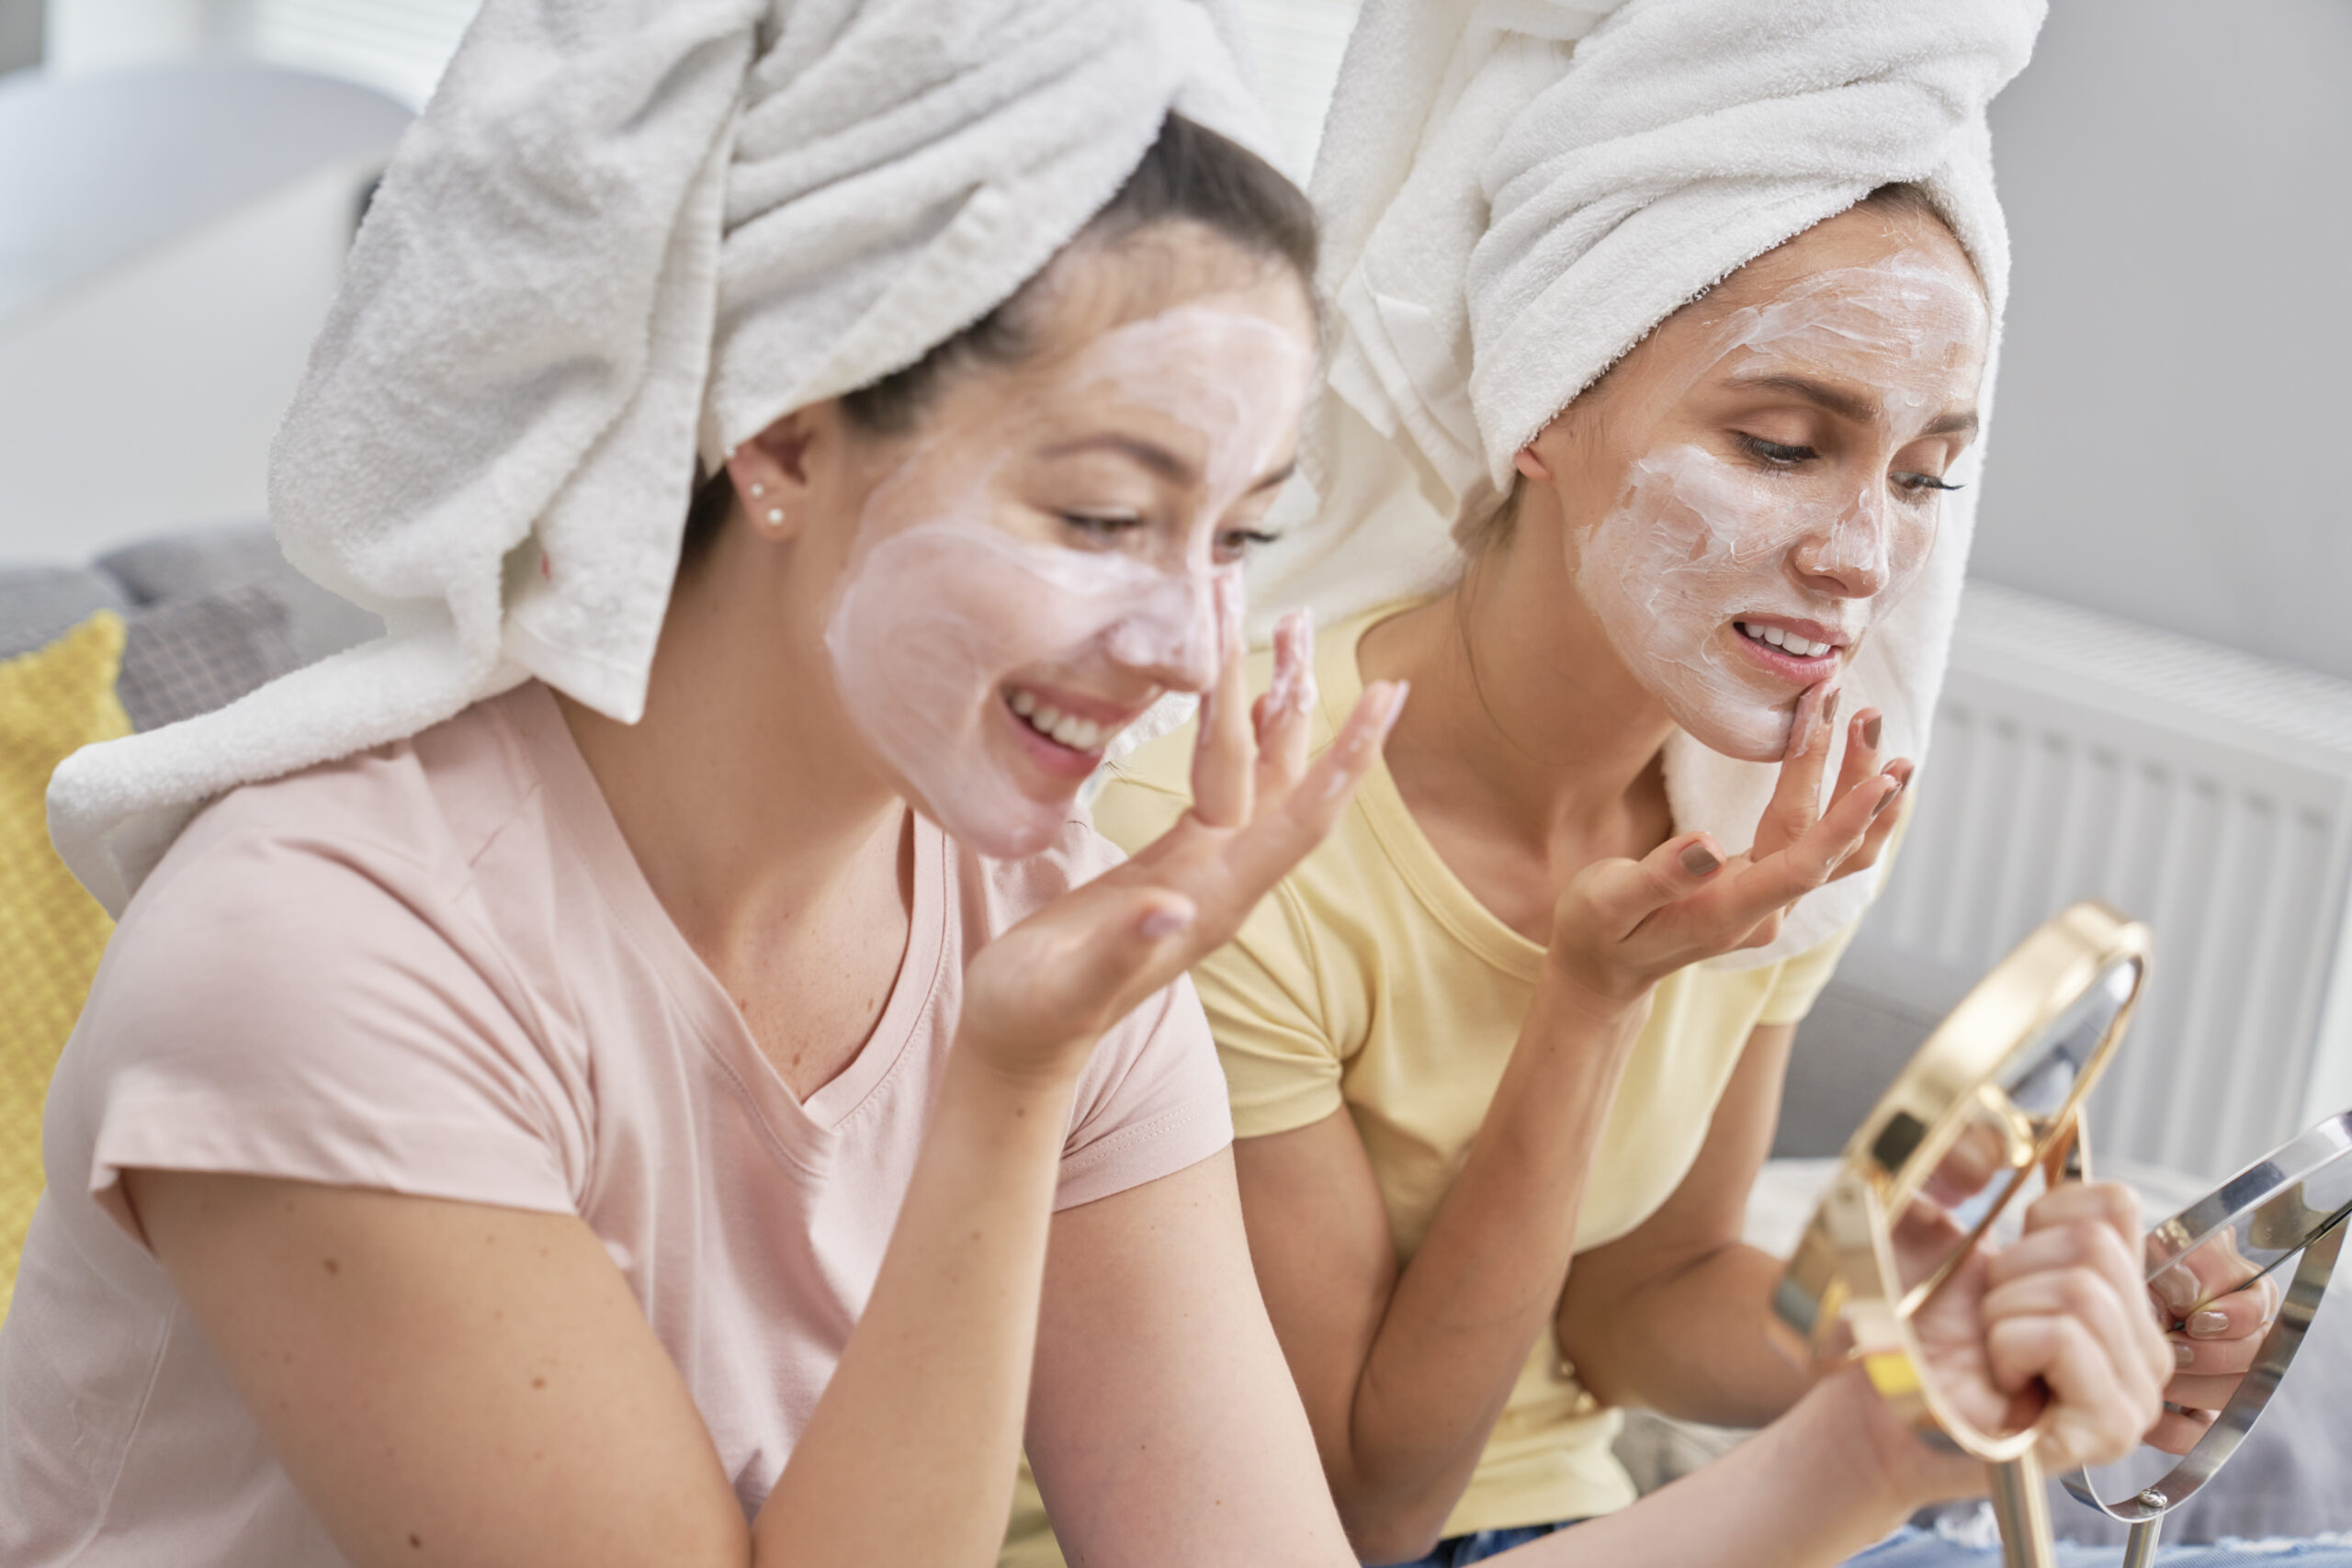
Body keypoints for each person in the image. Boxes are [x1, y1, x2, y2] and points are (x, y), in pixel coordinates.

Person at [3, 4, 2205, 1568]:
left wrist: (1880, 1435)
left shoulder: (1040, 913)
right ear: (775, 434)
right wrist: (1001, 1092)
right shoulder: (327, 956)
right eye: (1093, 510)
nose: (1183, 645)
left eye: (1238, 535)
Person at [1054, 2, 2292, 1565]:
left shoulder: (1772, 808)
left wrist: (1927, 1348)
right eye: (1782, 445)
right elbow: (1364, 1501)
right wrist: (1591, 1004)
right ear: (1541, 410)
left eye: (1924, 476)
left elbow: (1643, 1297)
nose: (1863, 559)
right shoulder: (1234, 829)